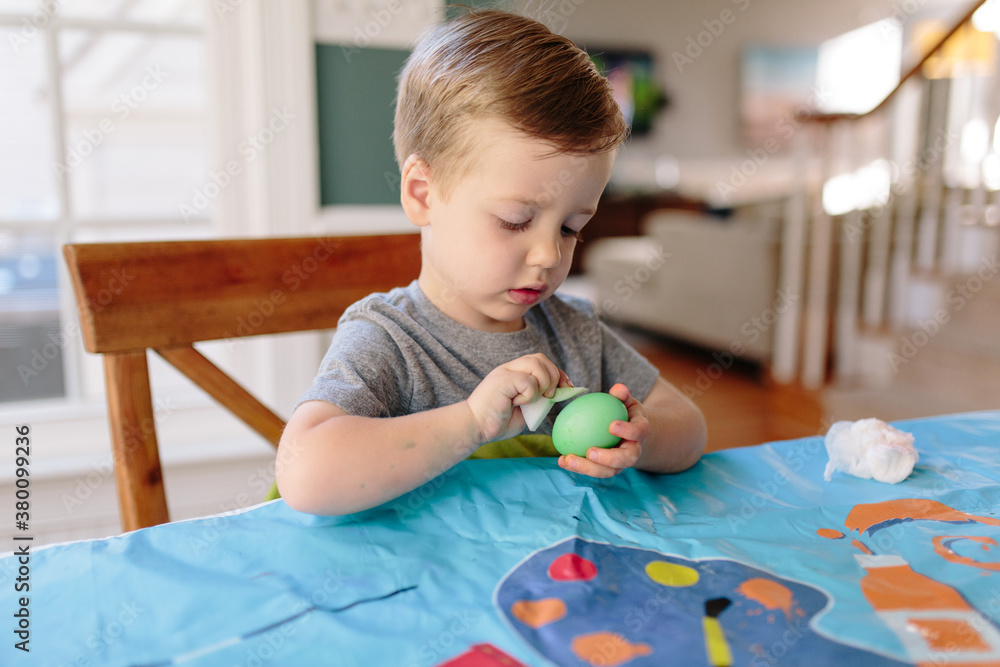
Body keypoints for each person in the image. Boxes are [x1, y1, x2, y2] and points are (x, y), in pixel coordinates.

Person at [276, 9, 706, 515]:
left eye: (570, 228)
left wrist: (641, 439)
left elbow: (689, 426)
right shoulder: (388, 341)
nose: (549, 255)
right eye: (515, 221)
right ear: (423, 194)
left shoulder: (574, 333)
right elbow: (304, 474)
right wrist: (473, 422)